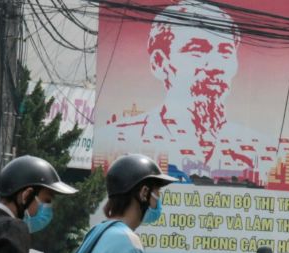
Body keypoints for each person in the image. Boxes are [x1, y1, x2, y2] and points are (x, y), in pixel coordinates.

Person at [99, 1, 260, 182]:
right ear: (159, 62)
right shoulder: (115, 140)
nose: (216, 66)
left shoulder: (260, 149)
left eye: (226, 51)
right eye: (198, 50)